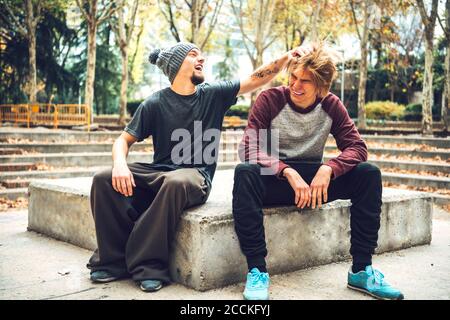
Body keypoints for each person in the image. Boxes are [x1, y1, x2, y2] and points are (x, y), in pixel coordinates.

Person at [87, 42, 310, 292]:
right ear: (176, 64)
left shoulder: (212, 94)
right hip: (161, 171)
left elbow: (254, 79)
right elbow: (122, 141)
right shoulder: (155, 103)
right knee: (102, 178)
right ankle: (113, 261)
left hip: (195, 177)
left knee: (176, 181)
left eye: (201, 55)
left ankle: (148, 265)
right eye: (193, 55)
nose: (201, 58)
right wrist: (120, 164)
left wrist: (284, 58)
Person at [232, 43, 404, 300]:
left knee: (368, 173)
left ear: (322, 87)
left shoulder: (331, 105)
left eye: (306, 81)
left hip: (314, 184)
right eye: (293, 77)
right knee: (245, 172)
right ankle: (257, 270)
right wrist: (286, 171)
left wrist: (329, 168)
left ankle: (361, 269)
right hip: (278, 180)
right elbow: (249, 147)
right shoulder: (270, 100)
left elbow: (357, 147)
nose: (296, 85)